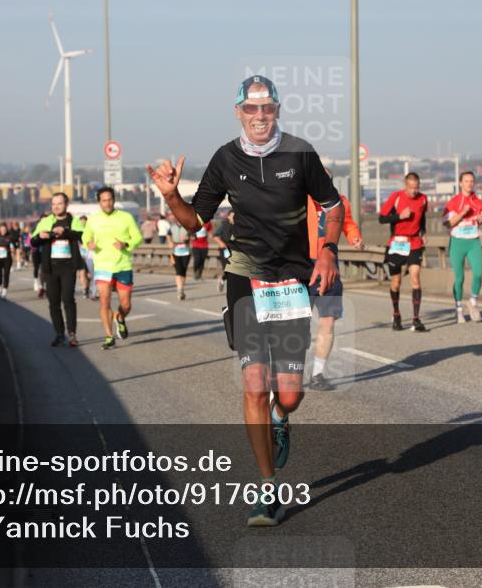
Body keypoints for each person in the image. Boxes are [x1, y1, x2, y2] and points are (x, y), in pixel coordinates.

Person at [147, 74, 343, 527]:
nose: (259, 116)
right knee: (254, 383)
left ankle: (280, 416)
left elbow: (332, 207)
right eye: (250, 108)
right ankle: (268, 488)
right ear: (238, 112)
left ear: (277, 110)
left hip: (291, 279)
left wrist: (328, 250)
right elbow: (194, 222)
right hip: (245, 276)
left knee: (289, 394)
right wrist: (172, 196)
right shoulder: (225, 158)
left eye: (266, 107)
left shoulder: (300, 153)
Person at [306, 176, 362, 391]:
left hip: (330, 267)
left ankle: (317, 375)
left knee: (328, 321)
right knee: (297, 325)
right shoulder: (299, 199)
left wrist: (355, 237)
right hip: (303, 267)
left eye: (326, 181)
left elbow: (347, 224)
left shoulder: (340, 201)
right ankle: (287, 371)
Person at [82, 187, 143, 350]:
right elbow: (85, 236)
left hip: (123, 265)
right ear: (99, 202)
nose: (107, 203)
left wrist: (126, 244)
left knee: (126, 305)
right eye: (104, 200)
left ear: (114, 200)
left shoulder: (126, 217)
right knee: (104, 301)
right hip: (102, 266)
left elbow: (137, 237)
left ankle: (120, 317)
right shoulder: (93, 219)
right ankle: (109, 337)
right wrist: (89, 244)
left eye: (110, 200)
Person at [31, 195, 85, 346]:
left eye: (59, 203)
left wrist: (65, 232)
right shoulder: (46, 221)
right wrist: (40, 236)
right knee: (53, 302)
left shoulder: (74, 221)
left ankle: (72, 334)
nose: (56, 206)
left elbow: (82, 235)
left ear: (66, 204)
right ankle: (59, 334)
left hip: (68, 266)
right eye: (53, 204)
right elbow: (33, 241)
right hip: (50, 267)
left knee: (68, 299)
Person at [379, 172, 429, 332]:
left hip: (414, 242)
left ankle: (416, 319)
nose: (414, 191)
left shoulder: (423, 199)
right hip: (397, 243)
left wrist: (423, 233)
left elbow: (422, 218)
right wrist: (399, 216)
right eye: (411, 188)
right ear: (405, 186)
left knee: (415, 277)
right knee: (396, 282)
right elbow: (382, 218)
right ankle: (396, 314)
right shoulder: (396, 197)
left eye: (417, 188)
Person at [443, 172, 482, 323]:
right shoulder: (454, 202)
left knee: (478, 274)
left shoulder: (478, 201)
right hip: (457, 243)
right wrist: (462, 213)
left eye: (471, 181)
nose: (469, 184)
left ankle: (473, 302)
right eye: (466, 181)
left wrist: (481, 219)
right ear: (460, 183)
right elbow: (447, 223)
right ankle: (458, 309)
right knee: (459, 278)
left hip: (473, 242)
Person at [166, 215, 192, 300]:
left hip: (186, 252)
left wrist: (187, 238)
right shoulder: (172, 227)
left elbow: (194, 236)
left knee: (183, 271)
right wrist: (170, 242)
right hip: (175, 252)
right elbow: (168, 235)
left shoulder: (188, 227)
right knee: (178, 270)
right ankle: (179, 290)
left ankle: (182, 288)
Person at [0, 222, 15, 299]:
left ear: (6, 229)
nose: (3, 231)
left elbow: (14, 246)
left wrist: (12, 249)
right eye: (2, 229)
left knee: (6, 274)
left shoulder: (10, 237)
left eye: (4, 229)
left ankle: (4, 291)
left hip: (7, 258)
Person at [212, 211, 234, 292]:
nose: (234, 218)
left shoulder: (239, 226)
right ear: (228, 217)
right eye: (232, 216)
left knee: (235, 269)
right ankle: (222, 279)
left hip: (236, 250)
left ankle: (227, 282)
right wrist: (220, 243)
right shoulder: (223, 225)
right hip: (225, 249)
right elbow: (215, 236)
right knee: (228, 268)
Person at [30, 212, 47, 298]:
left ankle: (44, 287)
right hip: (36, 250)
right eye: (43, 219)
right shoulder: (36, 226)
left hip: (45, 250)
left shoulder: (49, 226)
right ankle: (36, 282)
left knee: (44, 268)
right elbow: (31, 236)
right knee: (36, 267)